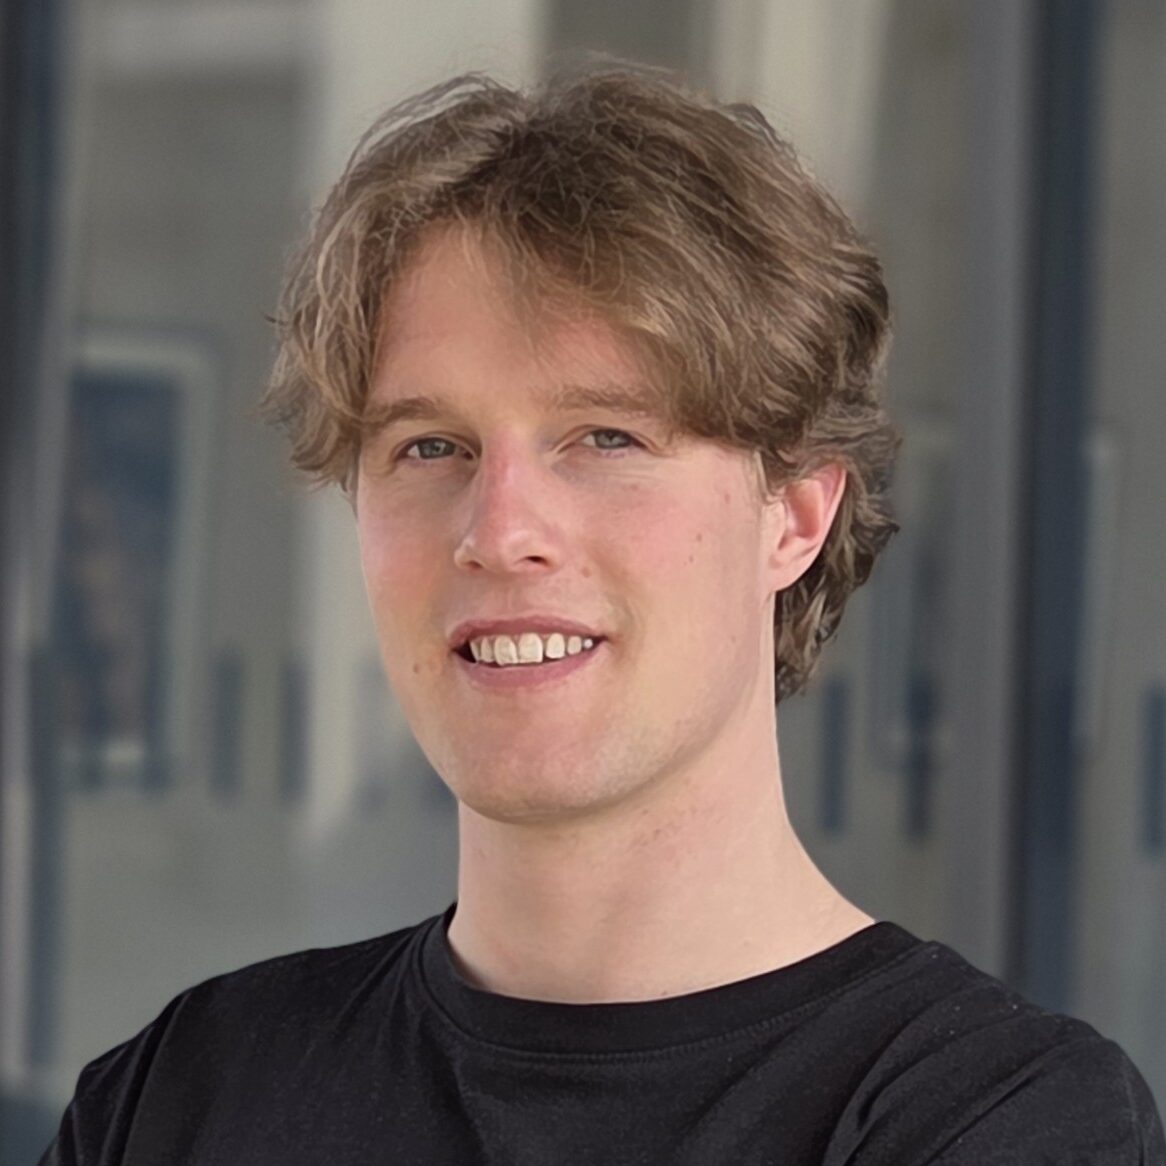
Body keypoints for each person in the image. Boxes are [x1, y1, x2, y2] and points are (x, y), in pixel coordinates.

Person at [42, 65, 1164, 1165]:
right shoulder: (183, 1093)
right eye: (430, 446)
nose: (499, 529)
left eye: (605, 438)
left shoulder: (992, 1118)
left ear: (793, 516)